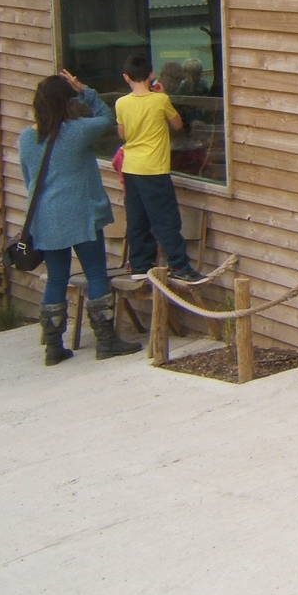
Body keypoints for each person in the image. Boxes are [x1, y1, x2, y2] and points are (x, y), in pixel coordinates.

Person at [20, 70, 141, 364]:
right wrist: (85, 89)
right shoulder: (76, 131)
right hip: (81, 213)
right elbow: (106, 118)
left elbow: (28, 179)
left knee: (56, 279)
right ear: (66, 101)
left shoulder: (26, 137)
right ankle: (106, 341)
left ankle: (53, 346)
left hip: (46, 218)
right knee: (96, 272)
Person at [116, 53, 200, 284]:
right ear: (151, 75)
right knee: (165, 218)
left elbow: (121, 134)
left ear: (126, 77)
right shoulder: (160, 101)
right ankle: (179, 265)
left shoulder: (121, 103)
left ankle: (141, 265)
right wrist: (163, 96)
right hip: (154, 167)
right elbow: (177, 125)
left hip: (131, 166)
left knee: (137, 217)